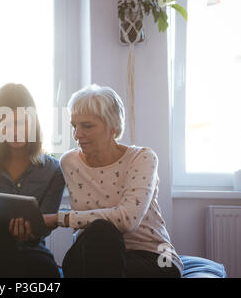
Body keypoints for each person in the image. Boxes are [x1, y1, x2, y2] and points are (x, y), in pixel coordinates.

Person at [43, 84, 183, 278]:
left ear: (113, 126)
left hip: (152, 255)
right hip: (92, 251)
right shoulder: (69, 162)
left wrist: (62, 218)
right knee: (98, 235)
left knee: (103, 229)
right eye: (74, 126)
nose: (77, 134)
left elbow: (127, 219)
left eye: (87, 126)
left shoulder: (142, 158)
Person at [0, 83, 65, 278]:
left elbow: (45, 227)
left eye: (21, 122)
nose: (14, 131)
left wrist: (31, 232)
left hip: (32, 250)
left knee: (47, 270)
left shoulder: (53, 169)